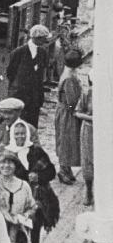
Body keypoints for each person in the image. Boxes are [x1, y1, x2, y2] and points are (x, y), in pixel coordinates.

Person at [5, 120, 58, 243]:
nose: (20, 136)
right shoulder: (8, 153)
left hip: (36, 201)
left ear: (27, 135)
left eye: (22, 133)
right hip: (14, 200)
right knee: (14, 235)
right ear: (12, 135)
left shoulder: (36, 152)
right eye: (17, 134)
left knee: (33, 233)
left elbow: (51, 172)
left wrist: (38, 177)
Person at [6, 24, 50, 128]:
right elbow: (10, 73)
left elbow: (40, 76)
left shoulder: (43, 52)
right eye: (44, 39)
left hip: (34, 98)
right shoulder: (18, 52)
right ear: (37, 38)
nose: (45, 41)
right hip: (19, 96)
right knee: (17, 126)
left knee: (31, 127)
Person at [0, 97, 40, 170]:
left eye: (10, 113)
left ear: (19, 113)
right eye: (3, 113)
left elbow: (37, 153)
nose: (6, 116)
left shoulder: (29, 129)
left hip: (16, 170)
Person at [54, 49, 83, 186]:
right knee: (66, 140)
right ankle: (63, 170)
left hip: (64, 110)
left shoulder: (67, 73)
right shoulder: (70, 78)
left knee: (66, 140)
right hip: (67, 112)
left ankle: (67, 168)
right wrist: (75, 112)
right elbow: (71, 100)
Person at [75, 72, 94, 206]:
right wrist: (92, 118)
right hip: (89, 129)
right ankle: (88, 190)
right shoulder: (87, 93)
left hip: (106, 130)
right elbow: (77, 111)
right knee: (87, 161)